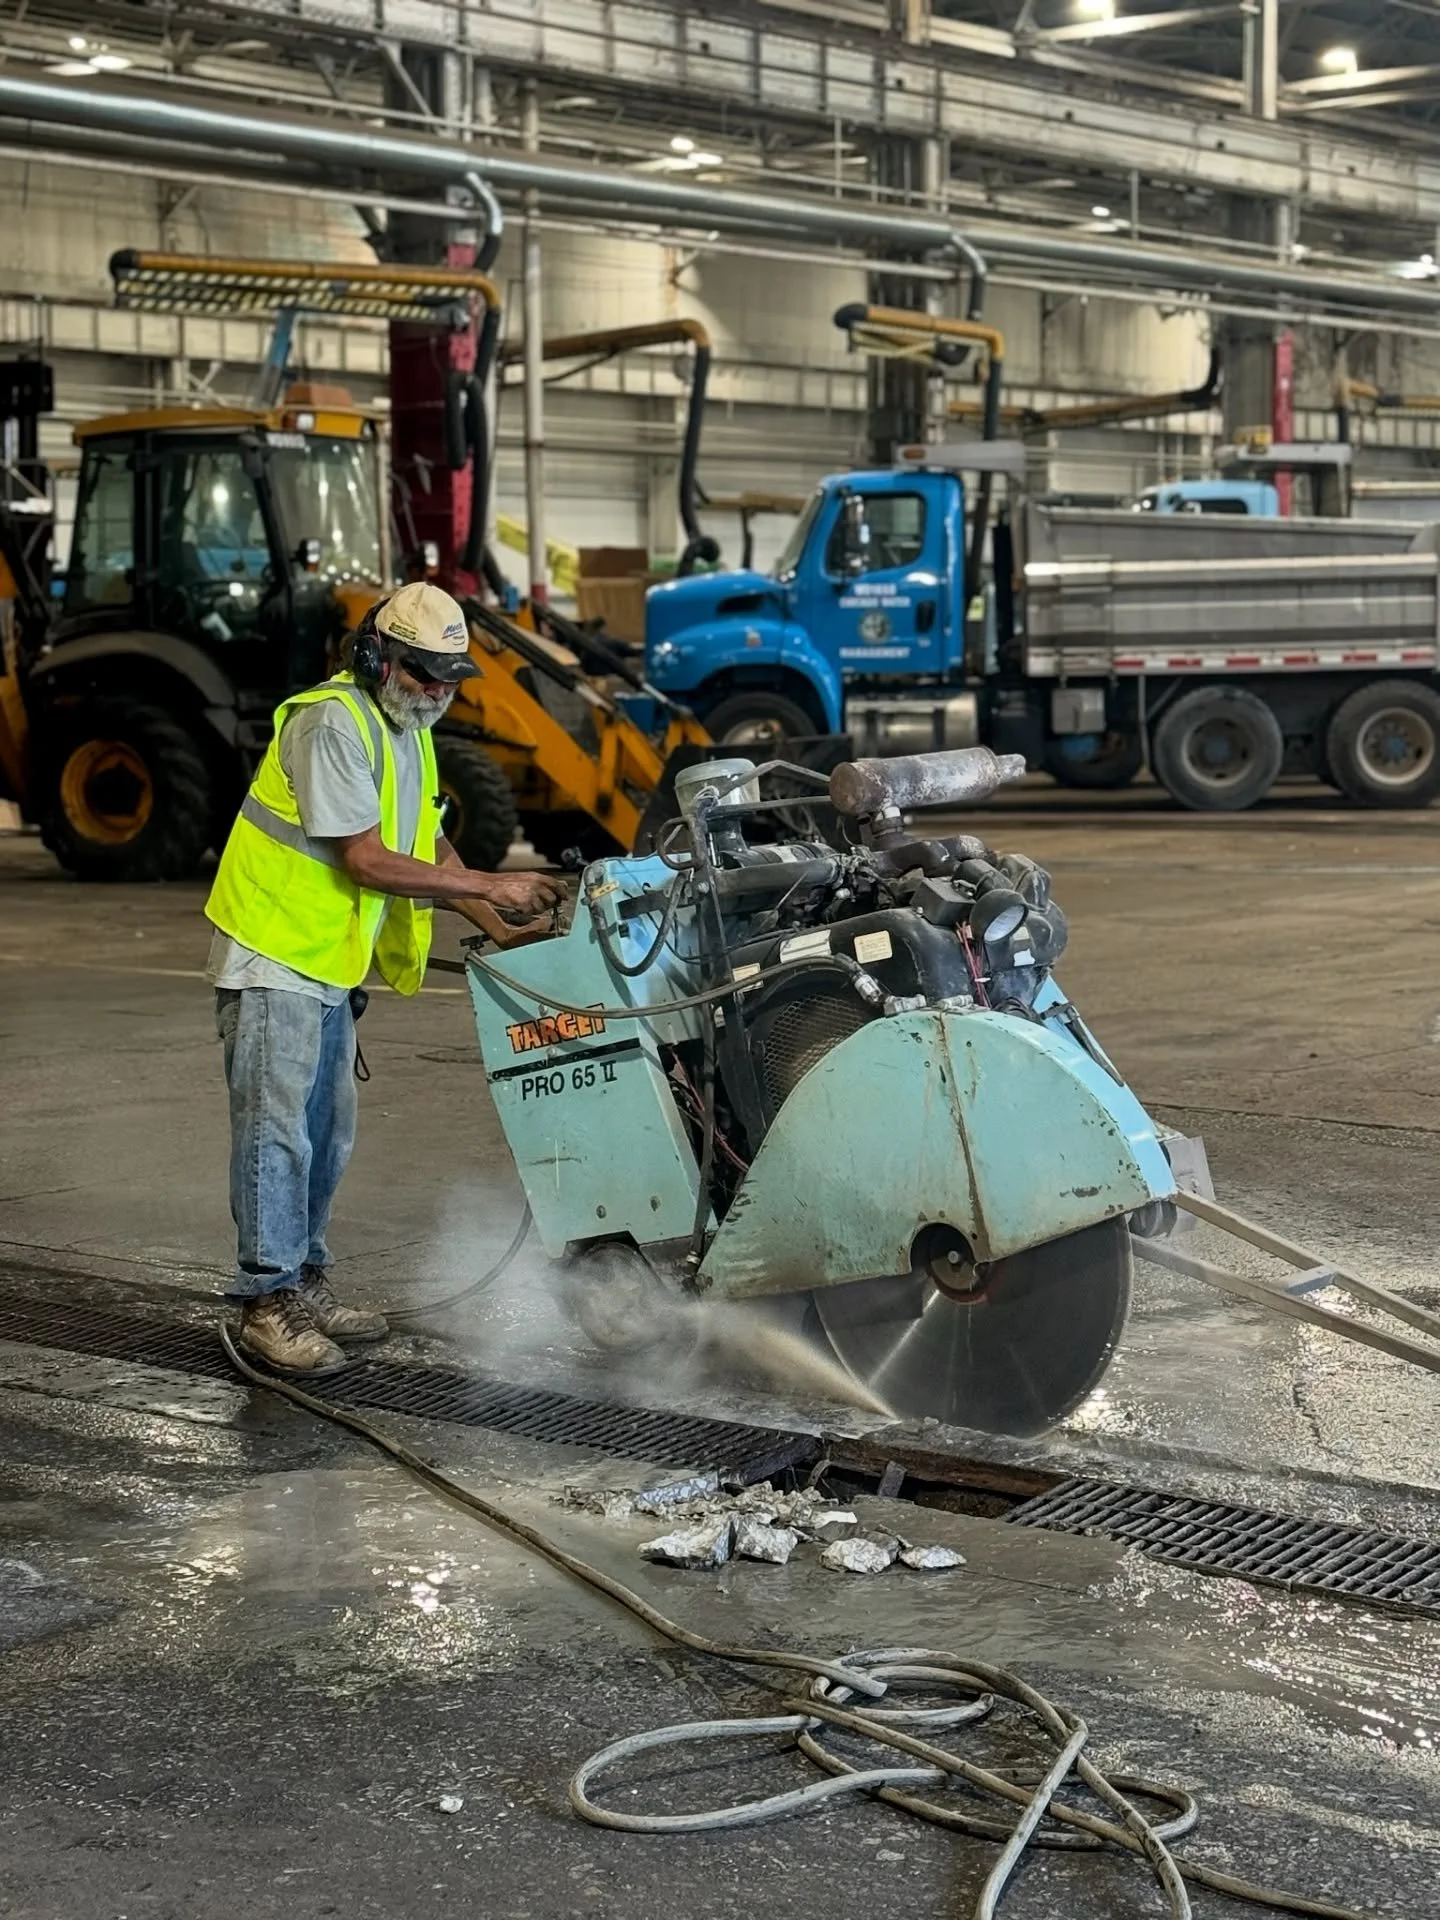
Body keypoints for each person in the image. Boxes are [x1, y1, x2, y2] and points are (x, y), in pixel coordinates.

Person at [204, 582, 560, 1375]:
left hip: (326, 962)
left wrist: (505, 927)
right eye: (425, 673)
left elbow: (427, 842)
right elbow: (362, 857)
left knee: (326, 1134)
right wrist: (492, 888)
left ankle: (306, 1281)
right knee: (277, 1134)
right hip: (273, 953)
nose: (438, 691)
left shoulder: (407, 728)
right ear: (379, 656)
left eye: (449, 678)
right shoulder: (332, 721)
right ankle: (267, 1303)